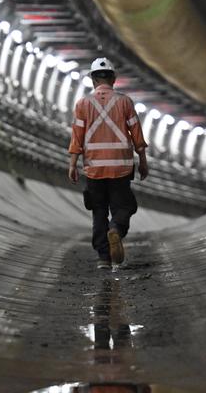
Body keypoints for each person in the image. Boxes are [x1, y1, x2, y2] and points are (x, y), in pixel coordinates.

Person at [68, 57, 149, 268]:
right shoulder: (125, 102)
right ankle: (116, 229)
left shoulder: (83, 104)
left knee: (98, 210)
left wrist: (73, 163)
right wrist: (143, 160)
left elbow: (77, 136)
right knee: (125, 206)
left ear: (93, 79)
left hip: (94, 169)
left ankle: (103, 258)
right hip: (121, 168)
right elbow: (136, 135)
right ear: (113, 79)